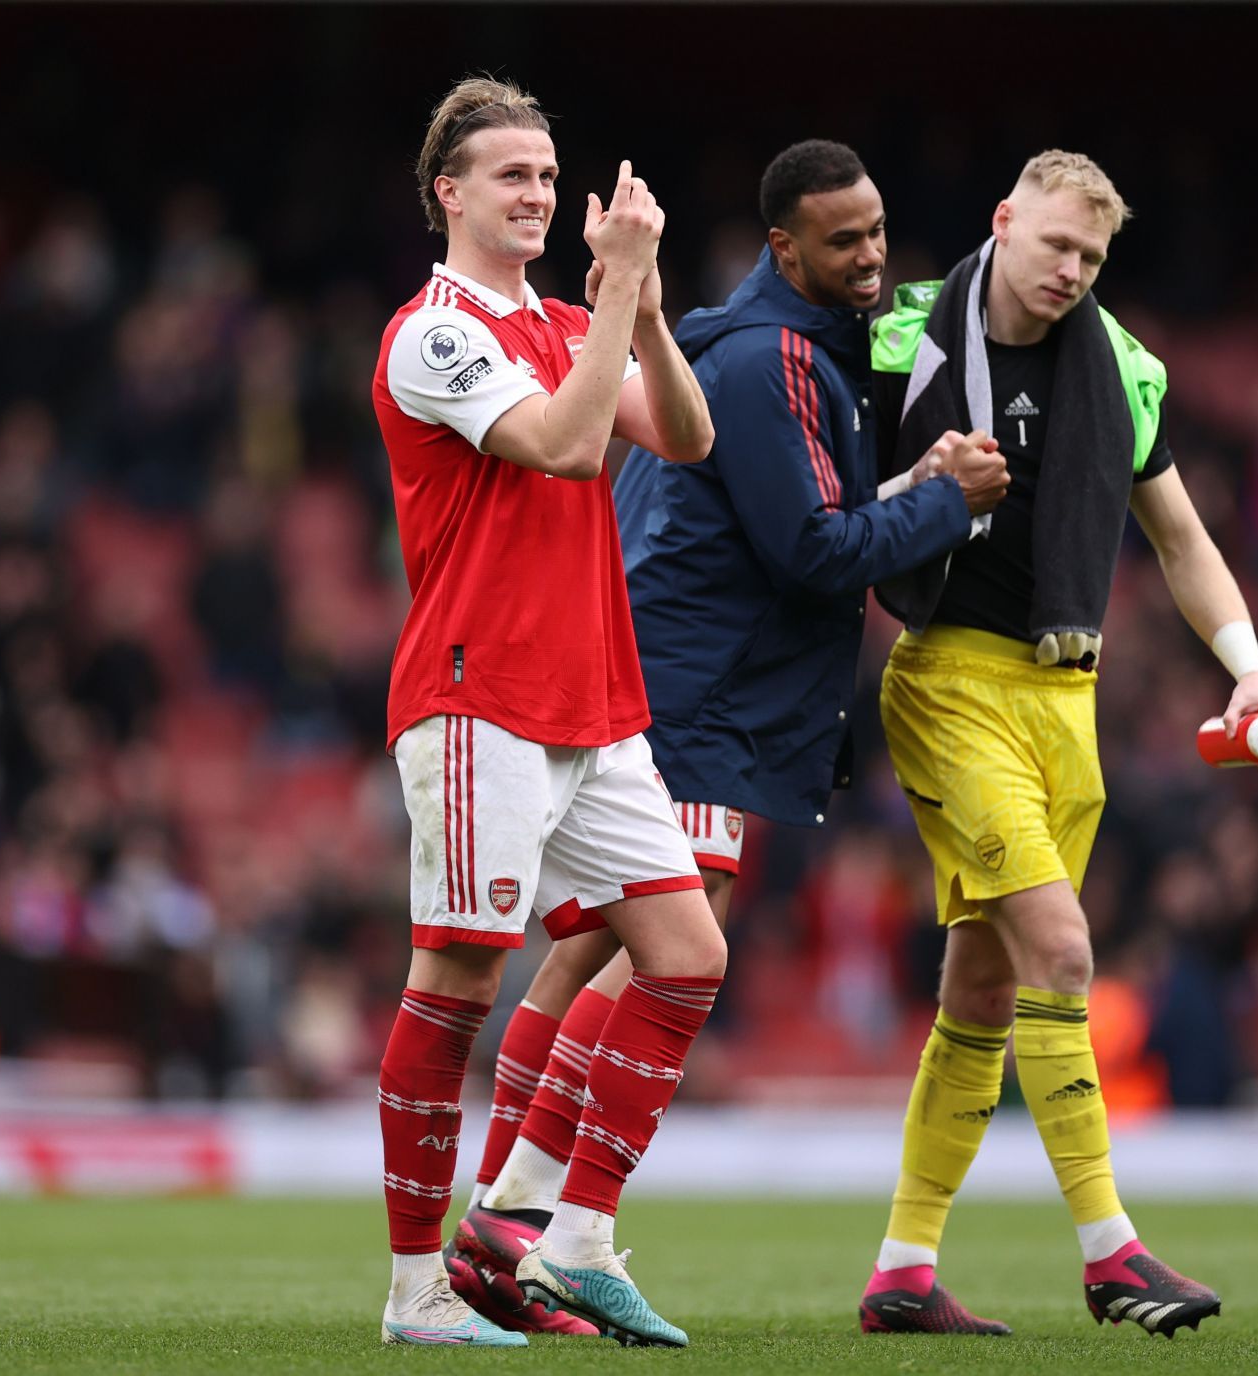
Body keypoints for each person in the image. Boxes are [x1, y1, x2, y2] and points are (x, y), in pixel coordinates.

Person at [447, 139, 1010, 1331]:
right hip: (696, 685)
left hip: (660, 665)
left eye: (878, 234)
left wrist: (912, 455)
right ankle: (546, 1208)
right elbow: (811, 548)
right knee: (671, 928)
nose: (869, 259)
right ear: (783, 247)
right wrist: (938, 502)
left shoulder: (748, 339)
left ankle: (508, 1208)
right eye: (842, 240)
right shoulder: (769, 361)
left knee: (604, 934)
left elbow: (836, 443)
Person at [856, 151, 1258, 1338]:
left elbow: (1183, 540)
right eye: (1055, 243)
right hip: (948, 681)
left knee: (985, 986)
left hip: (1067, 701)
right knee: (1061, 946)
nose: (1071, 271)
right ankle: (1112, 1250)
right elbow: (824, 492)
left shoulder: (1126, 370)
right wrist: (922, 480)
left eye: (1093, 258)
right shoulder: (901, 334)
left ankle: (903, 1268)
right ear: (1003, 221)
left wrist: (1249, 667)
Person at [368, 74, 725, 1349]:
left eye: (546, 172)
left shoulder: (575, 316)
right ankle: (417, 1289)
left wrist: (651, 311)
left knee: (688, 955)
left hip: (591, 702)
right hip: (482, 696)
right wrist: (617, 298)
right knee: (458, 977)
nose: (534, 193)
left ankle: (573, 1240)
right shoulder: (435, 332)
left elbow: (682, 437)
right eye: (509, 174)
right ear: (447, 192)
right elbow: (573, 446)